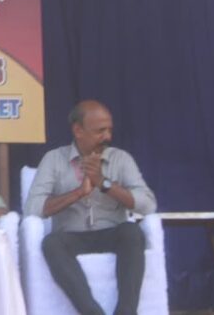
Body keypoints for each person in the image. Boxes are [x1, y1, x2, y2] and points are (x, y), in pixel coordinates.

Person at [24, 100, 157, 315]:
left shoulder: (121, 159)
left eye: (109, 130)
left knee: (132, 232)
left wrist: (104, 184)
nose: (107, 136)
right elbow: (33, 208)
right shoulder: (53, 159)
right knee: (51, 243)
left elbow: (148, 204)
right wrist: (78, 193)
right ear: (78, 130)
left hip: (112, 233)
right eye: (100, 131)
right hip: (71, 236)